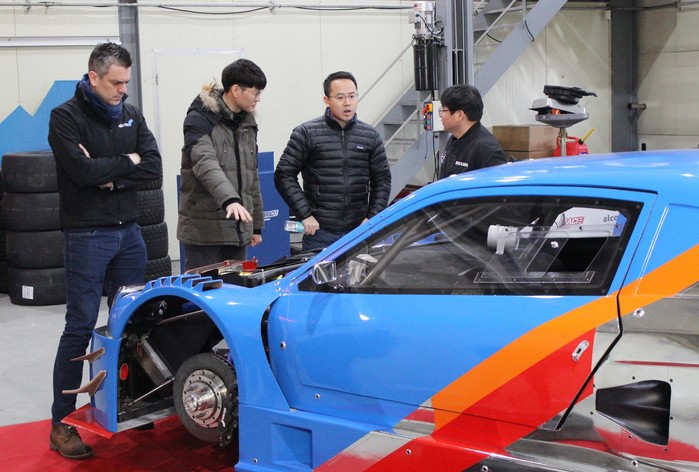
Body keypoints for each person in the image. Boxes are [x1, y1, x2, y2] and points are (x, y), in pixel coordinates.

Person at [47, 42, 162, 459]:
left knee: (131, 319)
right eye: (115, 82)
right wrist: (127, 160)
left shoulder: (131, 114)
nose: (122, 90)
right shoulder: (65, 117)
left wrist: (110, 173)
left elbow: (153, 167)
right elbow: (80, 172)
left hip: (129, 233)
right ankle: (61, 423)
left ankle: (131, 403)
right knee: (79, 326)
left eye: (126, 82)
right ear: (93, 77)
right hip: (86, 236)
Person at [274, 71, 391, 252]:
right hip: (320, 232)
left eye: (352, 96)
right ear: (327, 100)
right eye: (340, 97)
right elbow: (284, 174)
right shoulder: (306, 133)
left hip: (358, 230)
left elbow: (382, 179)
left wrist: (372, 217)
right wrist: (304, 214)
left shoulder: (370, 136)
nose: (347, 103)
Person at [177, 59, 267, 271]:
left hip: (237, 231)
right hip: (204, 232)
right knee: (203, 291)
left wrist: (256, 225)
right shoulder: (199, 119)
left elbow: (251, 176)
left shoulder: (247, 123)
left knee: (235, 288)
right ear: (235, 90)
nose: (258, 99)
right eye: (255, 92)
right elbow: (205, 163)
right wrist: (230, 200)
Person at [437, 84, 506, 178]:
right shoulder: (454, 140)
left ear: (459, 115)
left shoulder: (486, 148)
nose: (441, 115)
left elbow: (496, 184)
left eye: (443, 111)